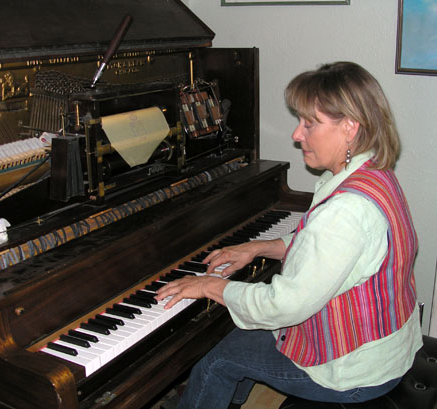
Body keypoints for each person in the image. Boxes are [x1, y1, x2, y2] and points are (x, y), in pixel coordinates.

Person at [155, 61, 422, 409]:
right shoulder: (373, 171)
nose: (297, 134)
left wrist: (209, 286)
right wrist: (258, 247)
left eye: (310, 123)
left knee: (216, 359)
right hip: (386, 349)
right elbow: (325, 249)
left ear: (349, 127)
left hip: (353, 372)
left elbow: (282, 306)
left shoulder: (346, 211)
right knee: (239, 337)